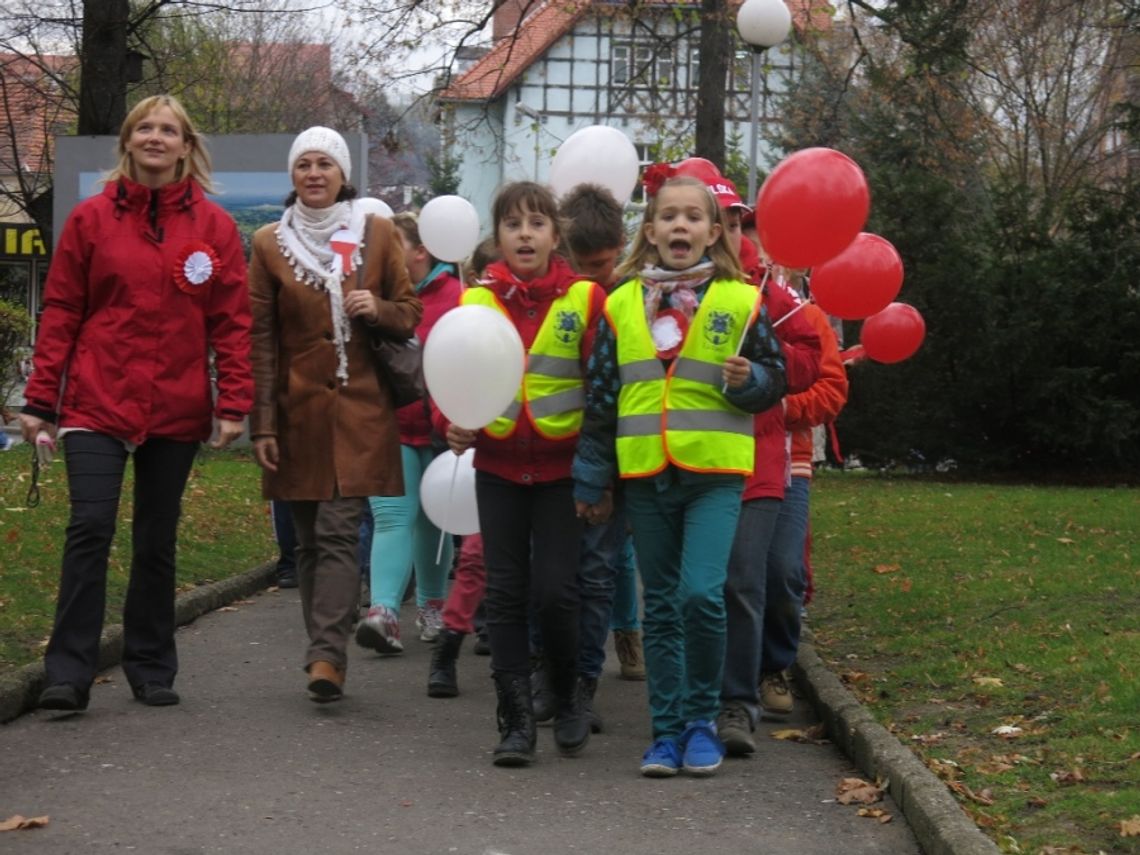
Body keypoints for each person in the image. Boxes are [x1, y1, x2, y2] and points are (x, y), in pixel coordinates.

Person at [19, 94, 252, 712]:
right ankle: (67, 672)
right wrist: (41, 397)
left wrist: (233, 402)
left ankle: (150, 665)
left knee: (155, 538)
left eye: (168, 130)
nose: (156, 137)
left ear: (185, 146)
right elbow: (64, 309)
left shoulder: (215, 229)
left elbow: (231, 322)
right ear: (127, 141)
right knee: (89, 528)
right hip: (96, 402)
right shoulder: (92, 220)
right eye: (145, 127)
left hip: (175, 408)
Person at [572, 171, 787, 778]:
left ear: (713, 231)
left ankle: (702, 721)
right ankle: (666, 732)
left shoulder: (741, 300)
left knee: (701, 594)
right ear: (650, 229)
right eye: (668, 216)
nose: (680, 226)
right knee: (660, 606)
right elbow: (602, 398)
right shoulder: (618, 304)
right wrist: (594, 480)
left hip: (714, 473)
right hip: (646, 473)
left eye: (693, 217)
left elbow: (775, 379)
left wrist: (754, 384)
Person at [248, 126, 421, 703]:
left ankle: (326, 656)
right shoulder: (269, 243)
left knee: (339, 529)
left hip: (360, 408)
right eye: (305, 165)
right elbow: (262, 339)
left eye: (326, 164)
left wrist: (378, 307)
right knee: (307, 542)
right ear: (293, 176)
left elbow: (409, 311)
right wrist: (264, 424)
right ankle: (327, 637)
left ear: (344, 175)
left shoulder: (375, 232)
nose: (315, 173)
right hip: (297, 412)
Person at [442, 182, 606, 766]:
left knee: (559, 593)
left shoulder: (587, 299)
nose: (525, 234)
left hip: (563, 473)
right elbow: (452, 375)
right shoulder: (477, 303)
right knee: (507, 595)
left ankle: (566, 695)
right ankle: (514, 722)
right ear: (499, 238)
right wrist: (453, 422)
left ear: (556, 236)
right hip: (499, 468)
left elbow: (603, 387)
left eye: (537, 223)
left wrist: (599, 473)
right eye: (513, 225)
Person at [667, 161, 822, 757]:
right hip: (675, 460)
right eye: (719, 221)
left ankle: (736, 702)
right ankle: (683, 704)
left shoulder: (768, 293)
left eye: (735, 222)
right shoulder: (656, 287)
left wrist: (764, 368)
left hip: (753, 461)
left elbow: (811, 355)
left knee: (739, 581)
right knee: (685, 589)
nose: (727, 234)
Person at [356, 211, 463, 655]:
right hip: (390, 427)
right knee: (393, 517)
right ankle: (382, 612)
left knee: (433, 520)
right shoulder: (371, 296)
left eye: (393, 242)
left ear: (421, 251)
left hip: (443, 431)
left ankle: (431, 605)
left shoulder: (458, 297)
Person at [757, 266, 849, 718]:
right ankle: (725, 681)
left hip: (787, 462)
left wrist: (780, 405)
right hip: (720, 458)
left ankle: (773, 664)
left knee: (782, 570)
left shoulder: (807, 315)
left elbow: (833, 388)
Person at [427, 237, 498, 698]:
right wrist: (451, 423)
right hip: (488, 460)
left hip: (544, 459)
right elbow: (446, 385)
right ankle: (448, 646)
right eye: (488, 277)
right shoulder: (468, 325)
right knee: (473, 556)